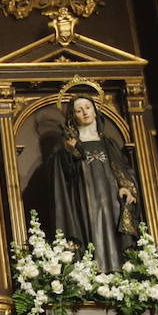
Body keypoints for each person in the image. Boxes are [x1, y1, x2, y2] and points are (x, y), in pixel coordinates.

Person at [49, 91, 142, 272]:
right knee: (91, 231)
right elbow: (64, 177)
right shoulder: (68, 145)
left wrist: (125, 187)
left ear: (95, 110)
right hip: (85, 199)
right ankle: (93, 272)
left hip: (112, 199)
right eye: (79, 110)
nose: (84, 112)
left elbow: (122, 170)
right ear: (72, 116)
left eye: (88, 107)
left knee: (115, 232)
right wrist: (70, 151)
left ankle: (119, 270)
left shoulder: (108, 143)